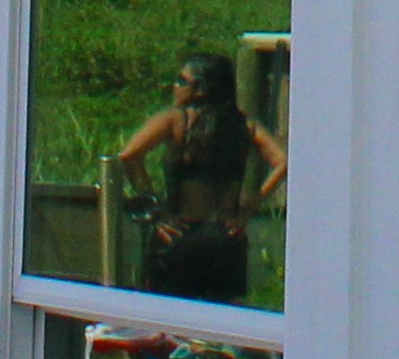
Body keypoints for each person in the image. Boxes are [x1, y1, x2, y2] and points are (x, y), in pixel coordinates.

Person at [107, 48, 285, 302]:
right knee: (221, 326)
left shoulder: (175, 120)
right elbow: (281, 162)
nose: (174, 86)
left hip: (180, 234)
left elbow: (129, 155)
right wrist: (250, 206)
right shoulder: (244, 125)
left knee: (169, 322)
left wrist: (154, 206)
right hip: (226, 238)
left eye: (182, 81)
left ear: (200, 88)